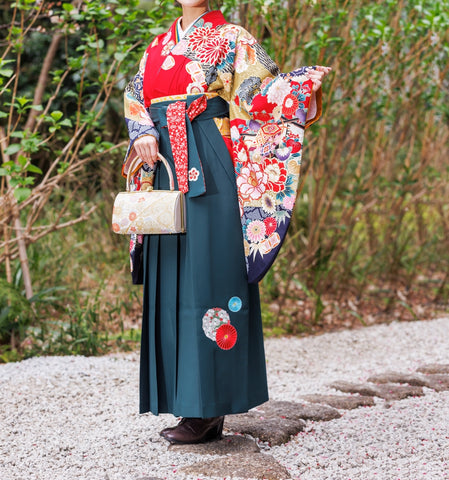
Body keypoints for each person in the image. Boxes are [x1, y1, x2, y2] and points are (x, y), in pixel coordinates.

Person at [122, 0, 331, 444]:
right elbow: (135, 98)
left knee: (212, 277)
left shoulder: (234, 38)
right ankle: (184, 400)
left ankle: (210, 406)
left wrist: (299, 91)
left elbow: (261, 97)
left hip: (213, 165)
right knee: (172, 277)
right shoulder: (156, 47)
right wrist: (142, 131)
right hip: (165, 167)